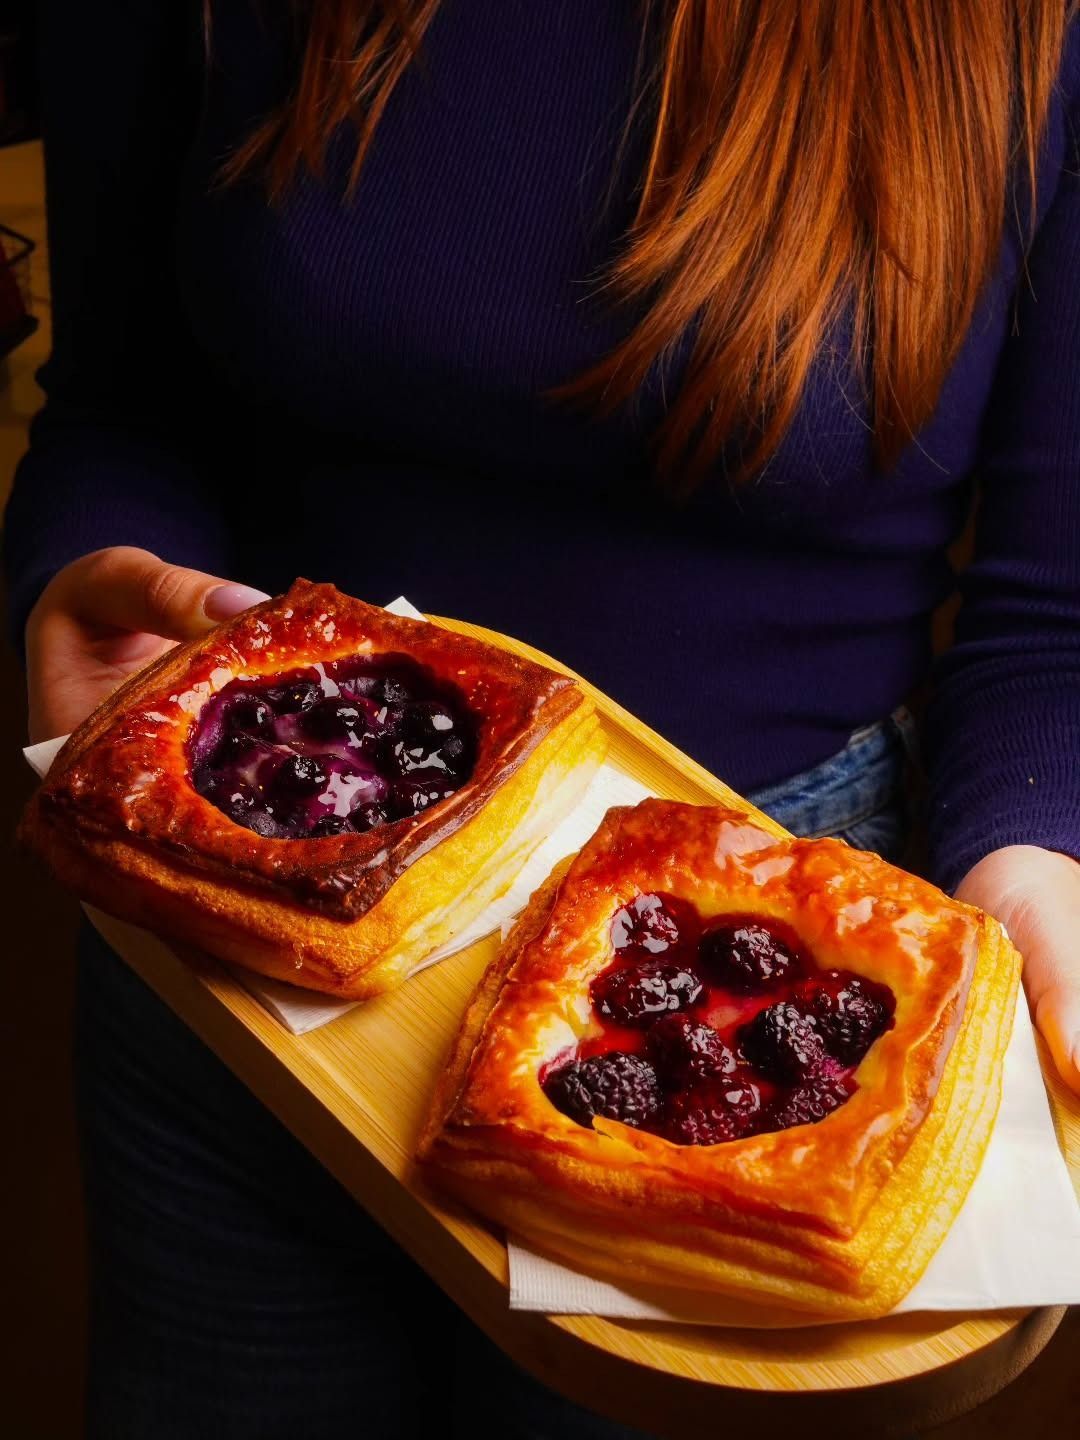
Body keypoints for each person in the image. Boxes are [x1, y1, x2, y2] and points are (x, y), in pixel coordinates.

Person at [6, 2, 1080, 1435]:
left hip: (776, 941)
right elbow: (121, 400)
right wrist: (79, 577)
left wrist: (1034, 853)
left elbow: (1056, 609)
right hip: (241, 901)